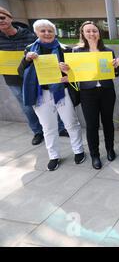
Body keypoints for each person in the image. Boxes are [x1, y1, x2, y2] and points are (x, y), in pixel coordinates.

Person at [17, 19, 84, 171]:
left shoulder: (65, 49)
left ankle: (78, 150)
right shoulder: (30, 49)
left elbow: (76, 73)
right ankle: (54, 155)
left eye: (50, 31)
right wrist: (27, 60)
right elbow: (20, 72)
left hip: (62, 92)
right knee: (48, 127)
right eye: (43, 30)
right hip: (41, 94)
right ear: (36, 33)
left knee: (71, 123)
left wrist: (68, 73)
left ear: (54, 32)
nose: (47, 33)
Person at [0, 6, 67, 145]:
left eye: (2, 17)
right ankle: (37, 131)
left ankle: (60, 128)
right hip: (13, 79)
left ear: (10, 18)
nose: (1, 21)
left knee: (53, 100)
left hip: (38, 77)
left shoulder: (29, 34)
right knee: (27, 107)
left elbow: (45, 47)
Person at [64, 21, 119, 170]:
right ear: (83, 34)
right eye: (88, 31)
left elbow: (115, 74)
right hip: (87, 92)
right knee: (92, 125)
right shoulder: (76, 51)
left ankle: (110, 149)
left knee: (108, 122)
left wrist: (118, 67)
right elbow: (73, 74)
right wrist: (66, 70)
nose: (92, 34)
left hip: (107, 91)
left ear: (99, 33)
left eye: (94, 31)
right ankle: (95, 155)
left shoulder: (108, 50)